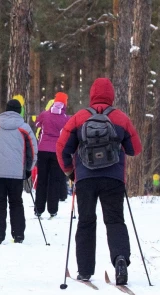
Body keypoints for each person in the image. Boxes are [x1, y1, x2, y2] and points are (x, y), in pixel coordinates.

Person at [56, 77, 142, 284]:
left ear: (92, 95)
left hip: (85, 179)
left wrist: (71, 172)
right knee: (114, 220)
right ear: (111, 95)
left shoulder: (79, 118)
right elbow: (135, 149)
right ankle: (120, 259)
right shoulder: (120, 118)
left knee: (86, 221)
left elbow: (62, 148)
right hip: (113, 179)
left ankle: (85, 270)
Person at [0, 99, 38, 244]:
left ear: (6, 109)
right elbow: (33, 150)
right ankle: (18, 235)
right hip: (17, 172)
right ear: (19, 111)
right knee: (16, 202)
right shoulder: (24, 128)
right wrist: (29, 168)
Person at [34, 92, 70, 218]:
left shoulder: (44, 114)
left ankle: (38, 209)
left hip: (43, 150)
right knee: (54, 181)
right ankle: (52, 209)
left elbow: (37, 124)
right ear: (65, 103)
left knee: (42, 179)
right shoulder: (66, 118)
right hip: (57, 151)